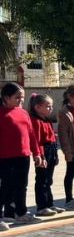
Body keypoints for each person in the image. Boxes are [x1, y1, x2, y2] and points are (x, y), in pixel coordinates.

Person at [0, 83, 42, 228]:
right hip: (4, 157)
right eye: (17, 97)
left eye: (22, 97)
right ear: (6, 97)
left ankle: (21, 212)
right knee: (5, 187)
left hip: (23, 156)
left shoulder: (23, 113)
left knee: (21, 186)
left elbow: (31, 135)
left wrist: (36, 153)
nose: (21, 100)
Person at [29, 93, 61, 217]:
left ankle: (49, 203)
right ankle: (42, 206)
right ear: (37, 107)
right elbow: (38, 141)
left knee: (49, 180)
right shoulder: (36, 121)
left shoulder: (47, 120)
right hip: (44, 151)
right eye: (47, 106)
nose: (51, 109)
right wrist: (41, 156)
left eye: (51, 106)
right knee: (42, 180)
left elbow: (52, 138)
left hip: (51, 150)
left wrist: (55, 156)